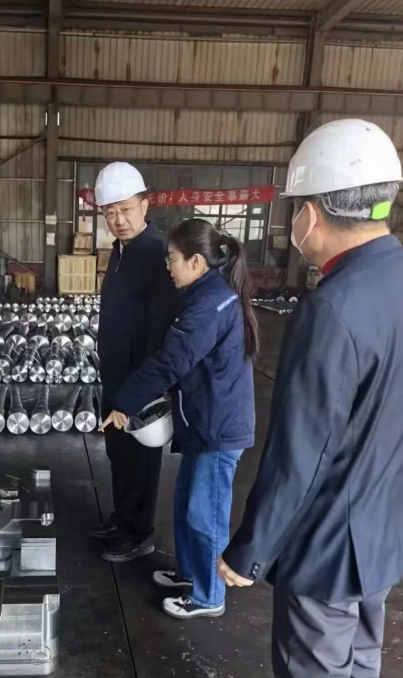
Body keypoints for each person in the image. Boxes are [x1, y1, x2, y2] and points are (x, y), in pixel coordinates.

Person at [218, 118, 403, 678]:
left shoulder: (331, 309)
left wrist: (250, 549)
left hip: (326, 549)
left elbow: (302, 452)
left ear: (313, 213)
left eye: (297, 207)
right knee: (362, 664)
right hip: (382, 537)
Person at [101, 218, 257, 619]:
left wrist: (125, 403)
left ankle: (208, 596)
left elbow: (172, 361)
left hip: (218, 427)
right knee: (188, 505)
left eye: (172, 258)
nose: (167, 266)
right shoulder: (204, 294)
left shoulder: (208, 305)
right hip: (202, 420)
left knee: (206, 515)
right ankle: (190, 573)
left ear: (196, 262)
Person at [92, 162, 177, 563]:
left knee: (140, 458)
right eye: (110, 212)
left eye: (126, 209)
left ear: (145, 205)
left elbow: (158, 327)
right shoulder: (119, 252)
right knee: (119, 454)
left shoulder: (156, 254)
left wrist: (144, 387)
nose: (119, 220)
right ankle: (122, 518)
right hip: (115, 374)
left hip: (139, 379)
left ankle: (139, 531)